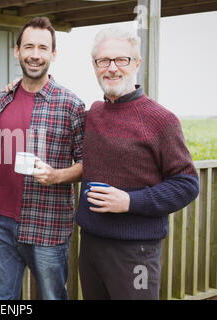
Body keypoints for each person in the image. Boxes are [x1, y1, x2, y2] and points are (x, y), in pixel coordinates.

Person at [75, 26, 199, 300]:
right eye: (103, 61)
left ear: (136, 64)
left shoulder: (160, 120)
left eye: (121, 60)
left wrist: (130, 202)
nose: (112, 68)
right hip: (91, 245)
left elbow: (187, 184)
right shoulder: (94, 113)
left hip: (136, 250)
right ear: (94, 66)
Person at [0, 17, 86, 300]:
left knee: (52, 296)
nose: (35, 55)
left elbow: (88, 163)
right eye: (29, 47)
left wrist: (57, 176)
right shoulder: (1, 100)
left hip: (46, 223)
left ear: (53, 54)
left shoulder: (71, 104)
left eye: (42, 48)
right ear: (17, 51)